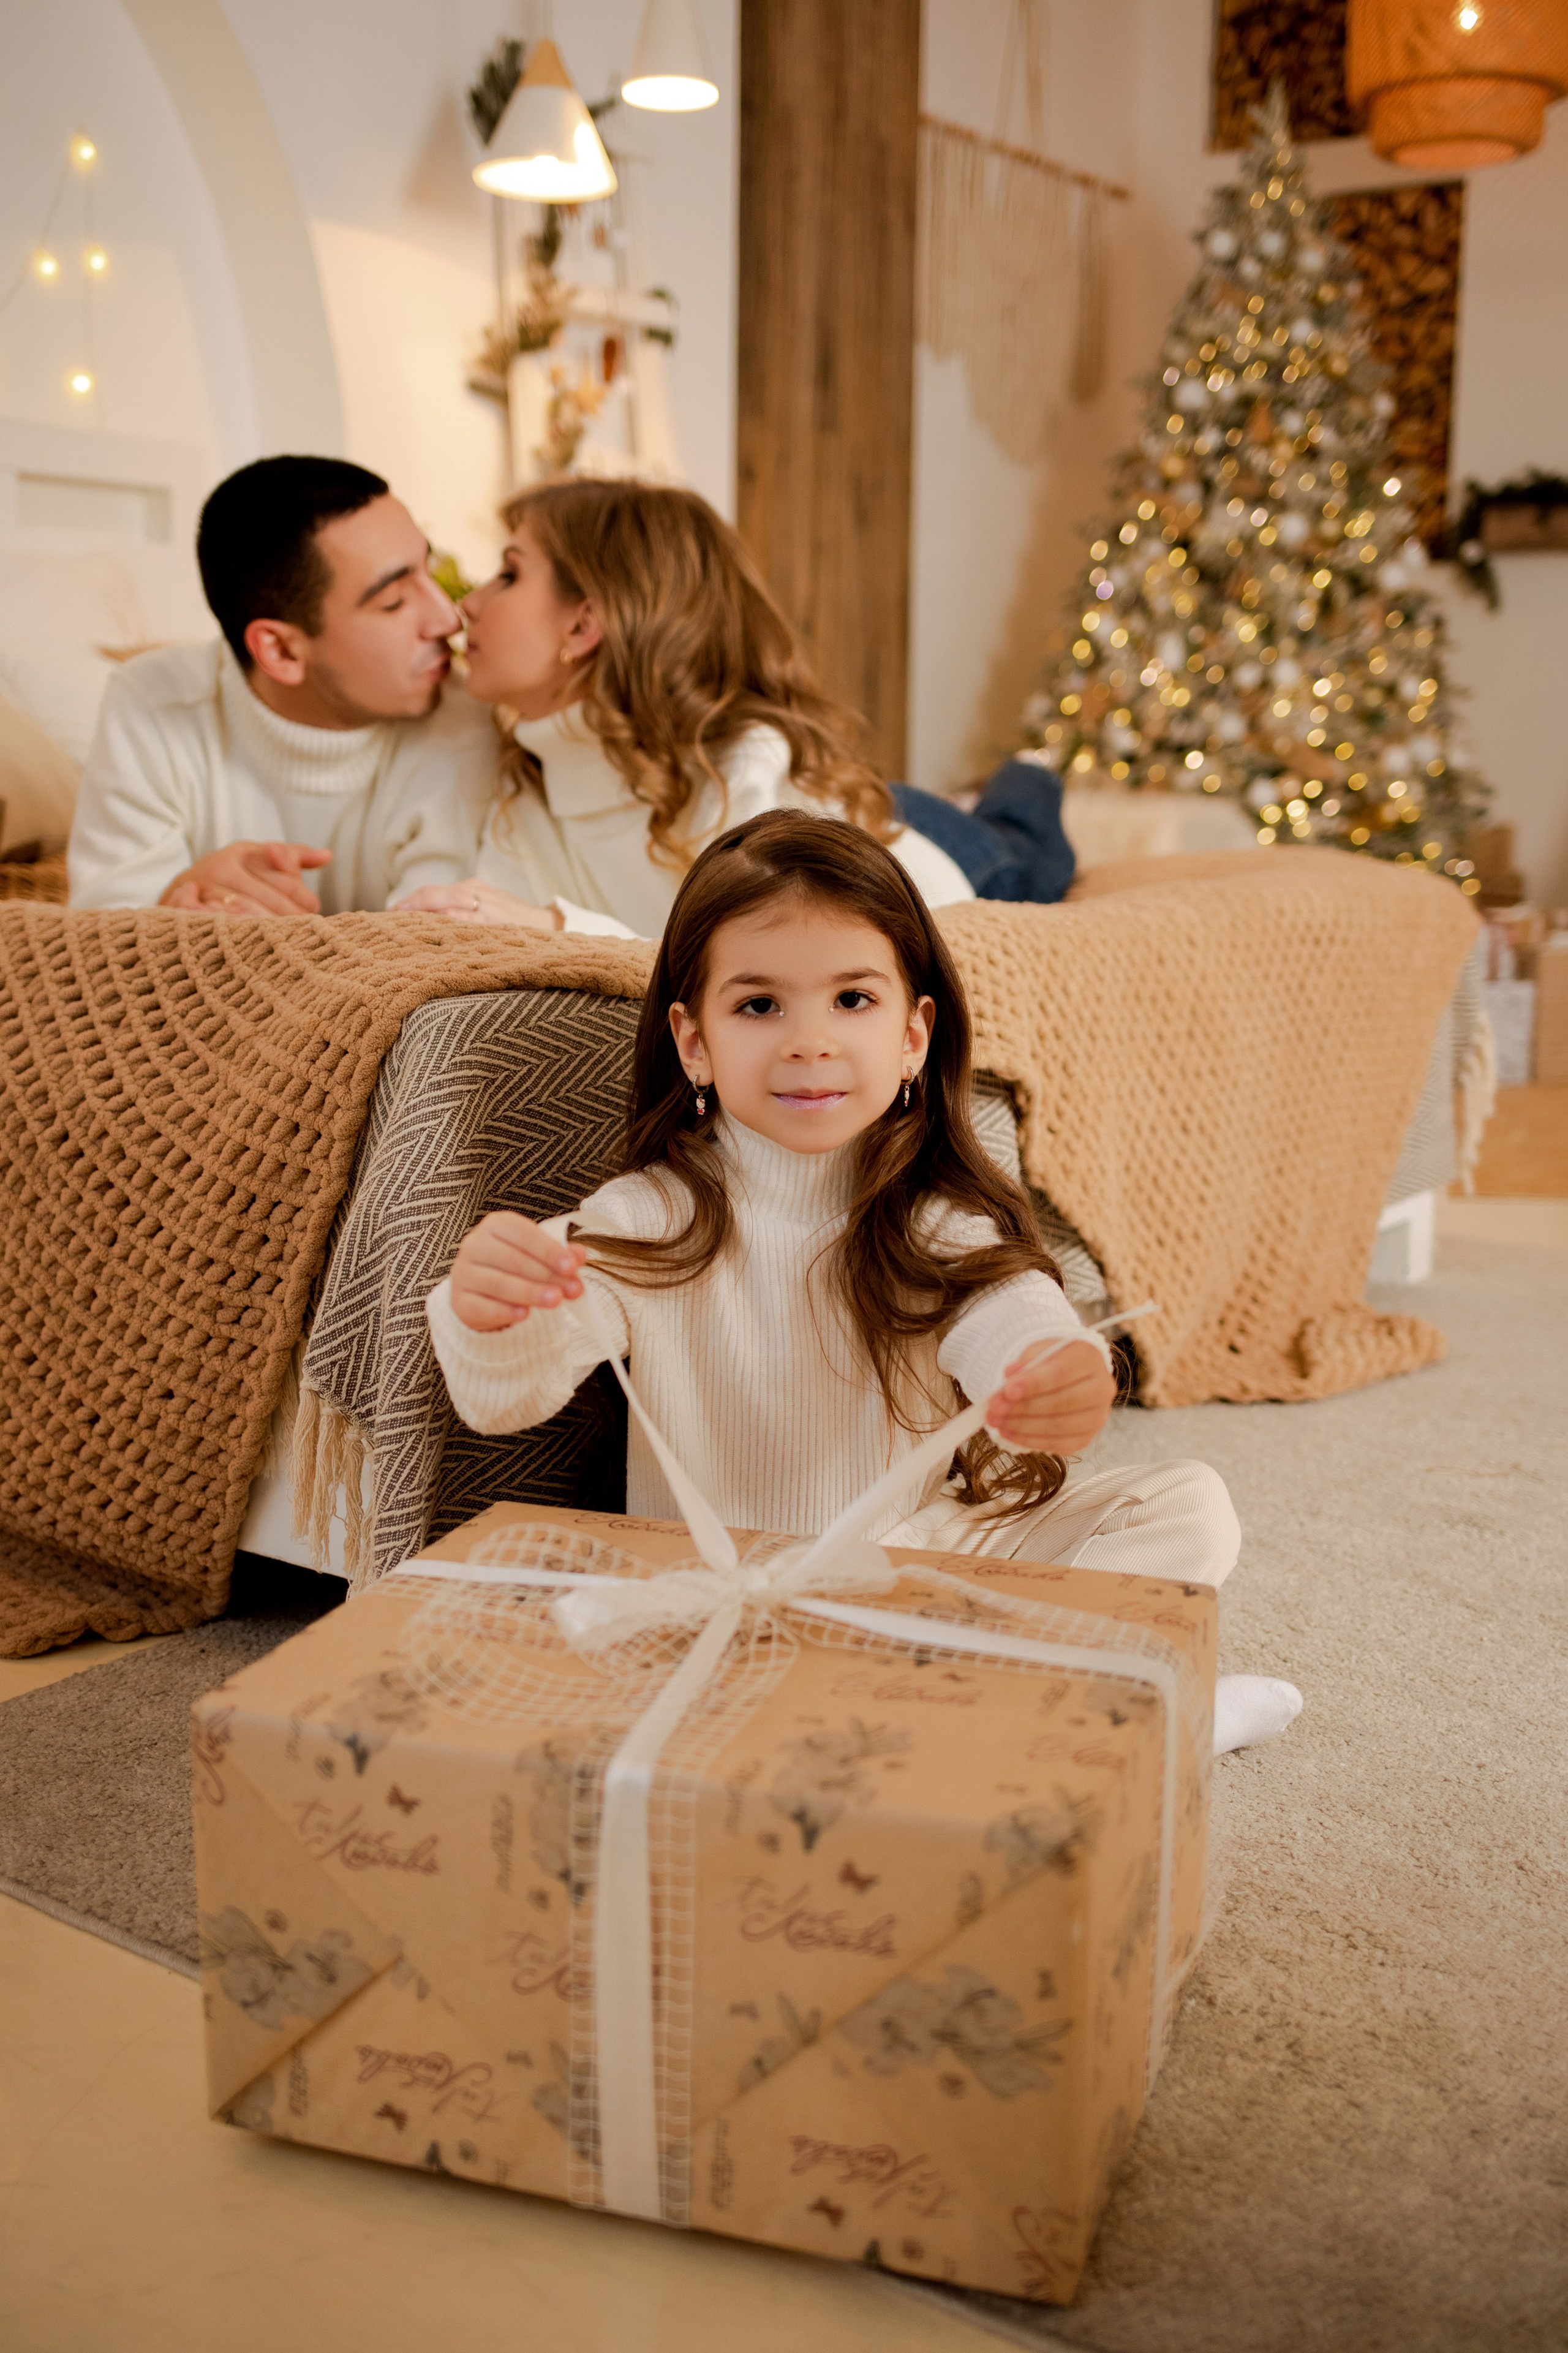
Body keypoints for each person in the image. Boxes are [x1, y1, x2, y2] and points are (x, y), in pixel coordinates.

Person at [427, 809, 1302, 1756]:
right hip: (730, 1592)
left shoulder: (936, 1217)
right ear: (694, 1041)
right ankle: (1100, 1714)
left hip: (913, 1567)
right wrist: (490, 1307)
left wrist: (1057, 1375)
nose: (810, 1041)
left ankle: (1028, 1705)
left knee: (1189, 1507)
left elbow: (1016, 1325)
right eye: (760, 1006)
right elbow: (506, 1394)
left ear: (914, 1034)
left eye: (852, 999)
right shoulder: (647, 1216)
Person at [392, 477, 979, 939]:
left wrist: (558, 925)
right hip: (882, 805)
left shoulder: (742, 767)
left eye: (509, 573)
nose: (468, 604)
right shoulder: (525, 792)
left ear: (584, 624)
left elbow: (776, 979)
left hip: (948, 876)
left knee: (1015, 831)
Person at [67, 456, 499, 916]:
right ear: (281, 652)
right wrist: (175, 902)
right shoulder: (153, 702)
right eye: (394, 602)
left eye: (429, 569)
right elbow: (101, 927)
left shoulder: (461, 712)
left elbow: (437, 938)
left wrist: (267, 938)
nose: (448, 618)